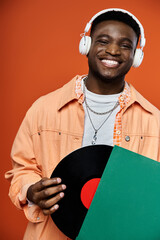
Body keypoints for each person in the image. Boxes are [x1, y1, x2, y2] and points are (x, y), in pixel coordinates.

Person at [5, 8, 160, 240]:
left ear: (137, 56)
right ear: (86, 45)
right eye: (103, 41)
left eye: (125, 45)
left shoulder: (154, 121)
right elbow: (22, 169)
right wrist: (30, 190)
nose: (113, 51)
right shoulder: (43, 108)